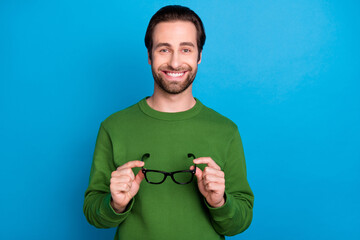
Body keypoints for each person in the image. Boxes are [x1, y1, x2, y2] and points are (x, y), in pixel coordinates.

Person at [83, 5, 254, 240]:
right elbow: (94, 214)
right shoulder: (113, 127)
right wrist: (115, 204)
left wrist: (219, 201)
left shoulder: (226, 130)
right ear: (149, 56)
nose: (175, 63)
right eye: (164, 50)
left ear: (199, 56)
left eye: (186, 49)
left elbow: (240, 222)